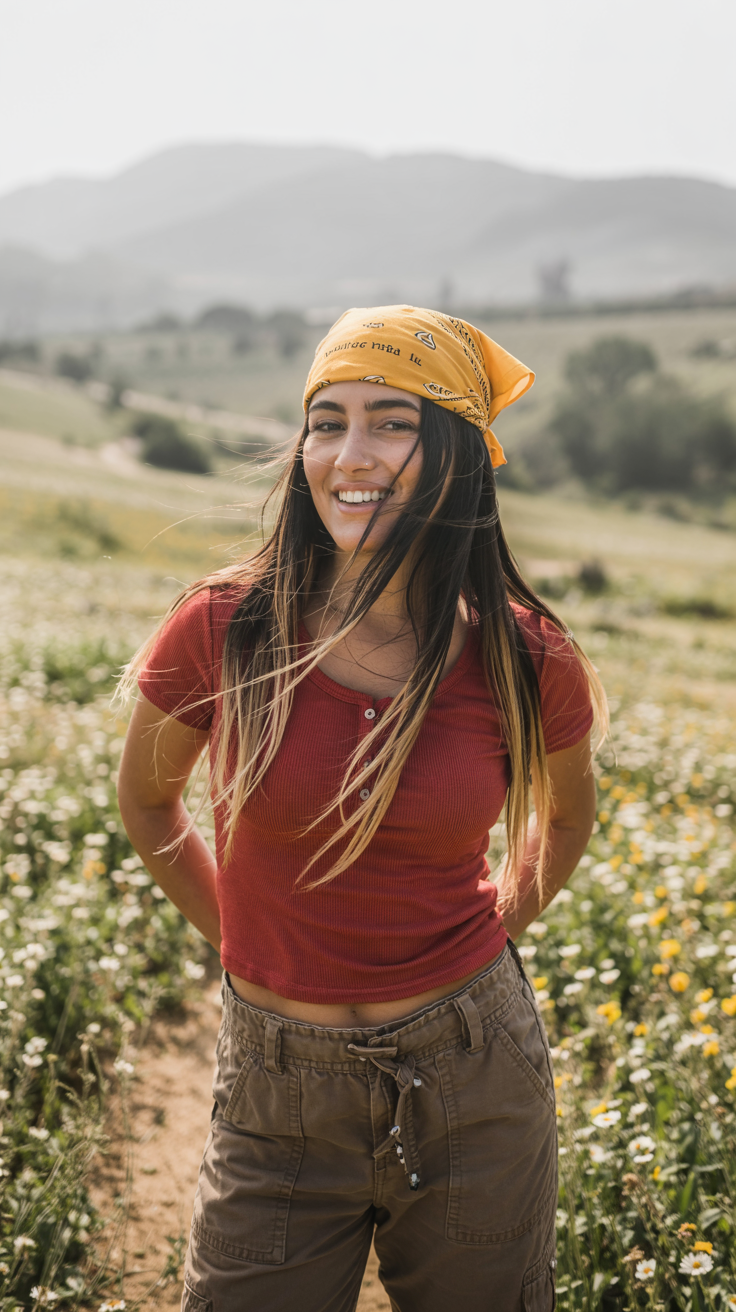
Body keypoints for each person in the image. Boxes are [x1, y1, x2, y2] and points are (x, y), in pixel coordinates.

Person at [117, 305, 607, 1312]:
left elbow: (563, 821)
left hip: (473, 1071)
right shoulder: (224, 627)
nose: (351, 453)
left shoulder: (523, 653)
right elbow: (149, 801)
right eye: (327, 419)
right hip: (274, 1080)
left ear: (456, 453)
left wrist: (490, 930)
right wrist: (243, 943)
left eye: (393, 421)